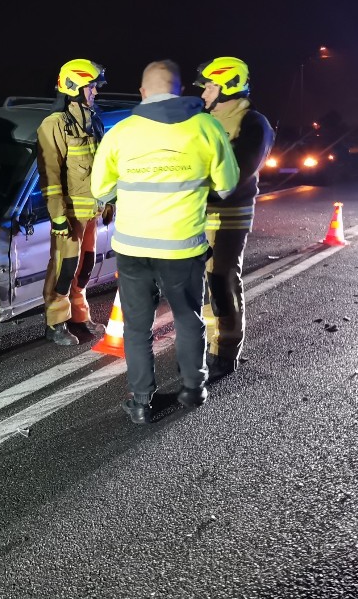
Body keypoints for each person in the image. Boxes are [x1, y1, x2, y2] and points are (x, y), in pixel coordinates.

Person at [91, 60, 239, 424]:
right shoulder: (206, 127)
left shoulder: (121, 132)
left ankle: (141, 402)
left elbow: (100, 189)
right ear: (180, 92)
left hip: (132, 248)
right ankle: (193, 389)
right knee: (189, 319)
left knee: (138, 328)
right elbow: (227, 184)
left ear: (143, 93)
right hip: (182, 247)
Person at [192, 57, 275, 382]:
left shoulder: (253, 123)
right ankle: (206, 343)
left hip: (228, 217)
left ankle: (225, 350)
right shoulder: (203, 119)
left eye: (210, 86)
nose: (204, 92)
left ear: (228, 86)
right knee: (199, 284)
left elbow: (236, 176)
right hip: (197, 215)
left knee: (221, 281)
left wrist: (194, 190)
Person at [37, 58, 108, 345]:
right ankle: (55, 323)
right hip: (69, 216)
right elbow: (50, 175)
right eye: (91, 87)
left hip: (91, 211)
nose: (95, 92)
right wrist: (57, 217)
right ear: (74, 87)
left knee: (85, 266)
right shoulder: (54, 125)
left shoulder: (93, 121)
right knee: (64, 269)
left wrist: (108, 201)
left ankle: (80, 316)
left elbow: (102, 166)